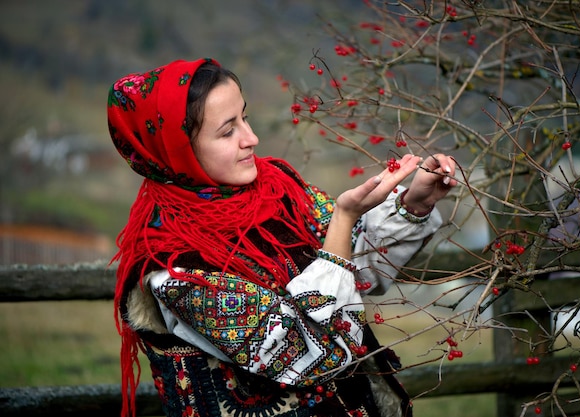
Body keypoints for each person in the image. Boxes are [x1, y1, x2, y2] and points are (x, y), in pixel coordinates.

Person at [107, 58, 457, 417]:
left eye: (245, 117)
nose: (251, 138)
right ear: (177, 150)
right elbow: (316, 352)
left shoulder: (276, 190)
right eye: (228, 131)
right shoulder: (175, 268)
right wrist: (344, 217)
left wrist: (414, 204)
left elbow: (352, 275)